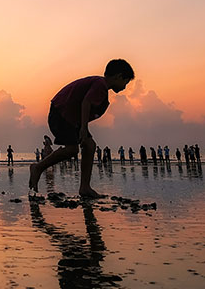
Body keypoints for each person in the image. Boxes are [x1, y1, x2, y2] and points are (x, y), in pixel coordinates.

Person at [28, 59, 134, 199]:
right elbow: (86, 102)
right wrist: (83, 128)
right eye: (125, 82)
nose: (124, 87)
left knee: (90, 145)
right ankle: (38, 167)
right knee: (72, 149)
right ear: (118, 77)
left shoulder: (100, 86)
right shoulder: (100, 85)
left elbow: (85, 104)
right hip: (62, 114)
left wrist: (83, 128)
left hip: (71, 118)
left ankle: (85, 187)